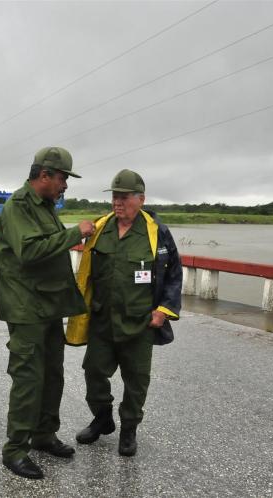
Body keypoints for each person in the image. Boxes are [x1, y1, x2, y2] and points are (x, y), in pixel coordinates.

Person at [0, 146, 95, 479]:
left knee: (53, 373)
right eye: (63, 178)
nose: (66, 185)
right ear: (44, 176)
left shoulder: (46, 206)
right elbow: (30, 251)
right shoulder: (19, 206)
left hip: (49, 306)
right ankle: (15, 450)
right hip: (26, 308)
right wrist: (74, 233)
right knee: (28, 378)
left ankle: (43, 434)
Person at [66, 169, 182, 457]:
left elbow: (174, 275)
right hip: (102, 320)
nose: (117, 203)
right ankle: (102, 418)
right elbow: (85, 271)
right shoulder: (101, 227)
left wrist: (164, 311)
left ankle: (129, 428)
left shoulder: (157, 233)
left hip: (140, 323)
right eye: (115, 197)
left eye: (124, 197)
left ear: (140, 199)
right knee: (93, 372)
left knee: (137, 380)